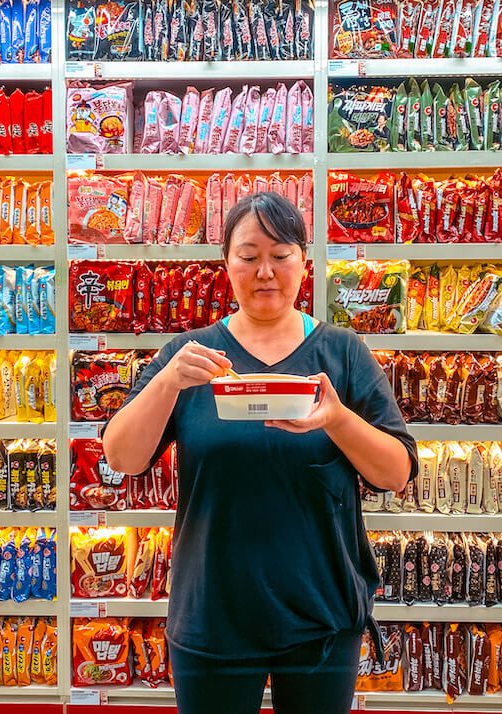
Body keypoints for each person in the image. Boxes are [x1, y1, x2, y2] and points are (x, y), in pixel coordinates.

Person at [103, 192, 417, 714]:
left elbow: (396, 472)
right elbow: (122, 458)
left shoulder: (341, 351)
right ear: (226, 264)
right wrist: (166, 384)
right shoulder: (193, 355)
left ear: (304, 262)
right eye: (248, 257)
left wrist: (337, 419)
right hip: (213, 613)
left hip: (322, 614)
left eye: (280, 255)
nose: (265, 272)